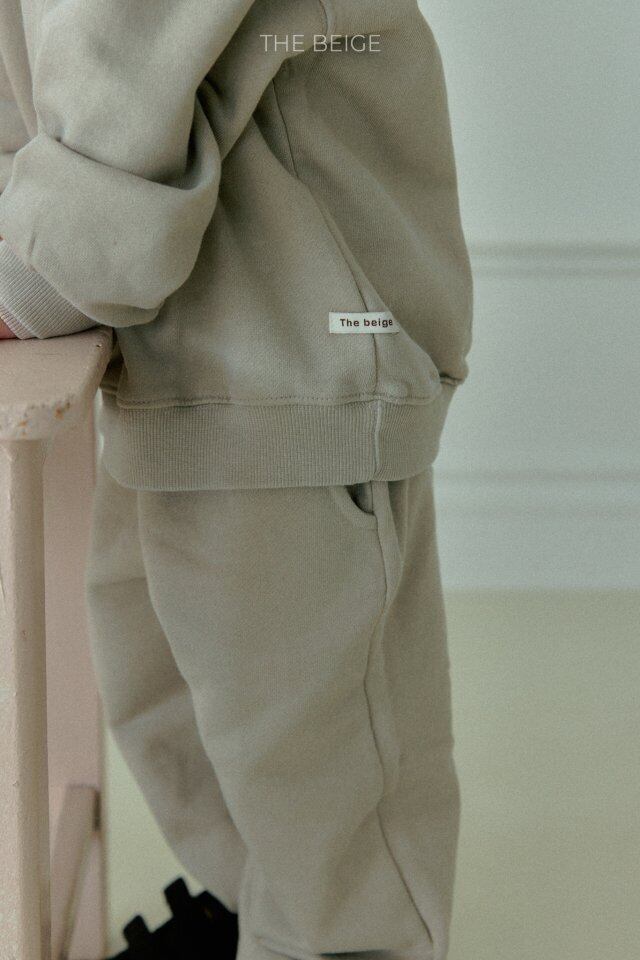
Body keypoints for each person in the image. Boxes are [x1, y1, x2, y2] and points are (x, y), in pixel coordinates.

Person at [0, 1, 473, 957]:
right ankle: (252, 915)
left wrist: (37, 275)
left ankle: (333, 941)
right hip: (184, 343)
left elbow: (125, 39)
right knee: (173, 690)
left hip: (301, 339)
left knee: (316, 757)